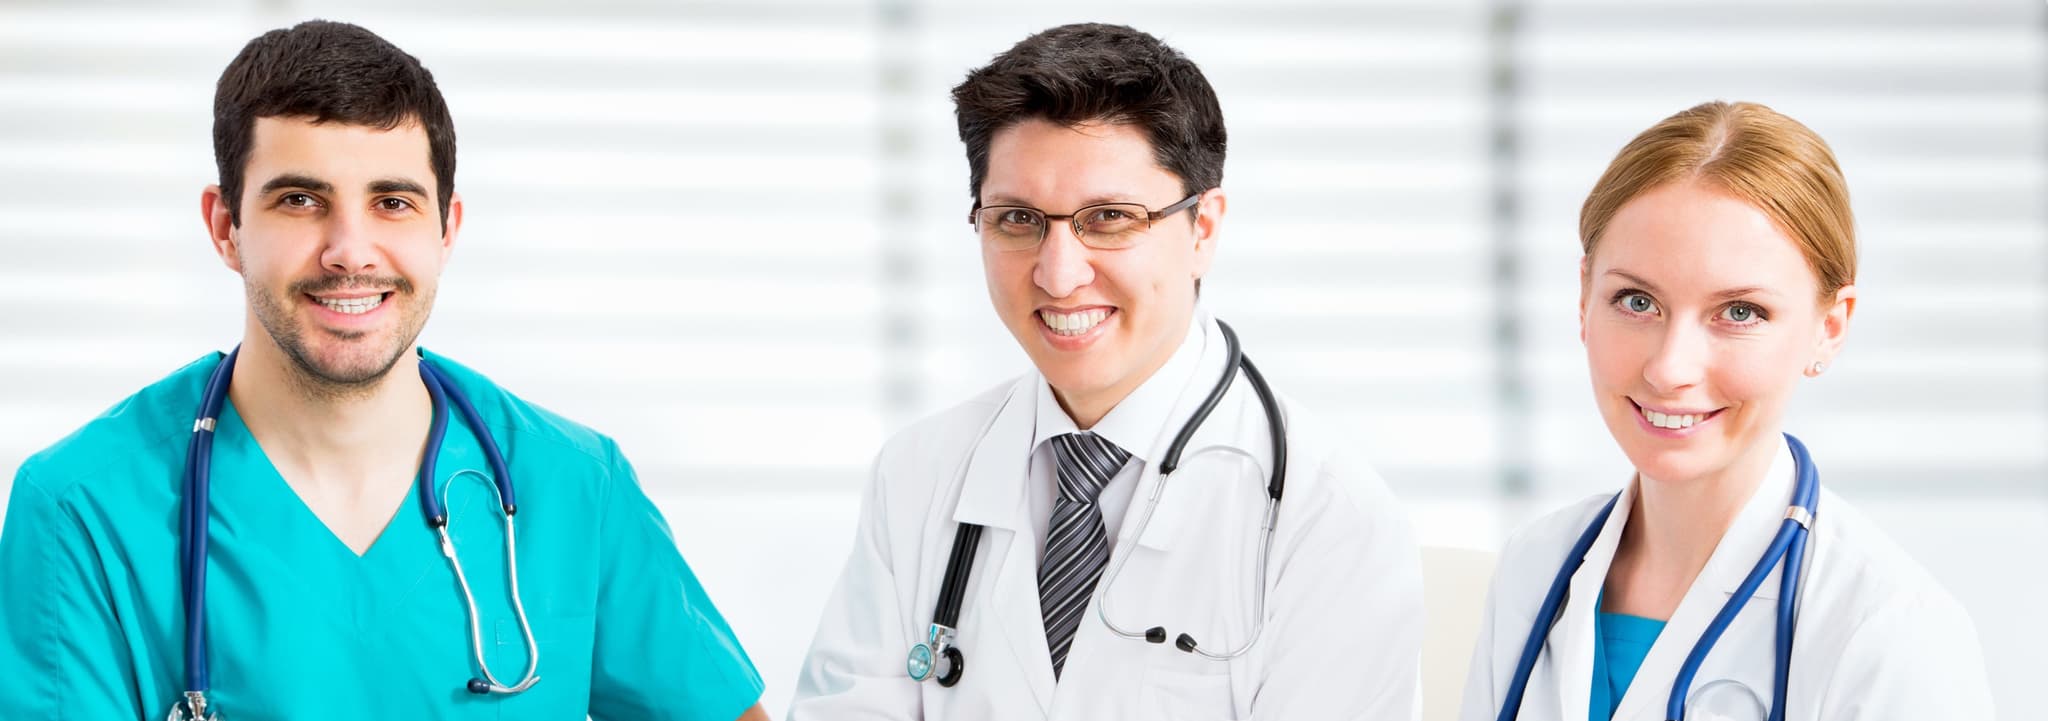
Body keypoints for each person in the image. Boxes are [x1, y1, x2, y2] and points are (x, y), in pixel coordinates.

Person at [0, 20, 770, 720]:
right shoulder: (83, 507)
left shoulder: (576, 486)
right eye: (300, 199)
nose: (350, 250)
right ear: (226, 227)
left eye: (393, 202)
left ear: (447, 228)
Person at [789, 23, 1422, 721]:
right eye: (1019, 218)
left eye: (1110, 217)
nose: (1058, 273)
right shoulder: (917, 476)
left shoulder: (1327, 517)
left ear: (1203, 229)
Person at [1459, 101, 1994, 721]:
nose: (1669, 368)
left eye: (1740, 312)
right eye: (1636, 300)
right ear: (1583, 297)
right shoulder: (1536, 569)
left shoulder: (1888, 630)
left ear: (1829, 326)